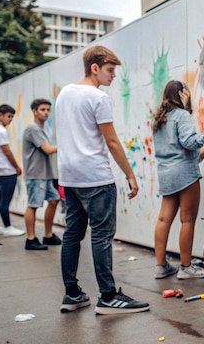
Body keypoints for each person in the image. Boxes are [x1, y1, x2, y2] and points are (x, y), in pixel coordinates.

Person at [55, 45, 149, 315]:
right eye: (110, 70)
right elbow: (111, 141)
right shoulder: (98, 98)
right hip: (95, 176)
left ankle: (72, 293)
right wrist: (130, 174)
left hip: (70, 177)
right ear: (94, 68)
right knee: (101, 235)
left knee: (72, 234)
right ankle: (108, 296)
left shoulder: (64, 94)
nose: (114, 76)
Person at [152, 80, 204, 279]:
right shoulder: (182, 115)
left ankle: (161, 266)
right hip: (185, 175)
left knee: (164, 219)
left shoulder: (160, 119)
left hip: (166, 174)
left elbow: (175, 151)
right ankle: (186, 267)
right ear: (182, 94)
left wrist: (201, 154)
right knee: (187, 220)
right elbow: (189, 142)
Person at [22, 98, 62, 251]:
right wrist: (68, 144)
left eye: (48, 110)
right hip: (35, 174)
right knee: (33, 205)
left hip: (44, 174)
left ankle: (48, 235)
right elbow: (48, 149)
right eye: (42, 110)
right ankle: (30, 239)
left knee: (54, 200)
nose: (46, 113)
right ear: (34, 111)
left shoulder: (42, 129)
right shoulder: (33, 129)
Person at [0, 105, 26, 237]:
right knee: (5, 201)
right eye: (9, 116)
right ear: (0, 115)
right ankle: (7, 227)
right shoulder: (1, 131)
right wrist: (16, 166)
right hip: (5, 170)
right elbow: (7, 151)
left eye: (12, 117)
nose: (11, 119)